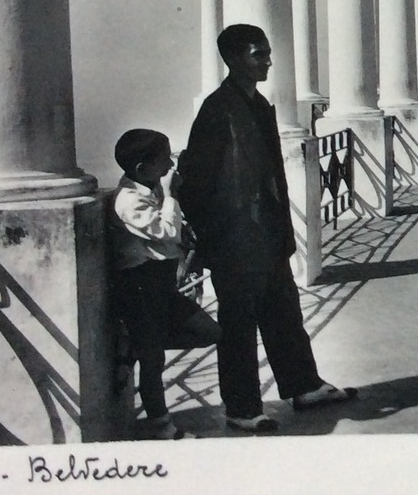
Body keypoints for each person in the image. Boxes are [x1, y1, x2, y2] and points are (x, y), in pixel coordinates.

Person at [177, 23, 357, 433]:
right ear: (234, 58)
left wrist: (277, 228)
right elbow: (195, 181)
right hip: (233, 239)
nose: (268, 61)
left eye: (267, 52)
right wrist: (216, 236)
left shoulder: (258, 105)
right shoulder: (216, 109)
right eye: (259, 54)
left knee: (284, 312)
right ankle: (241, 407)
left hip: (266, 235)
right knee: (238, 324)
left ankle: (304, 387)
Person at [108, 128, 221, 440]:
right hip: (141, 288)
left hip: (161, 288)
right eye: (164, 160)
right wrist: (171, 196)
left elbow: (173, 235)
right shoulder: (129, 201)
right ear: (142, 169)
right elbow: (165, 233)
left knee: (209, 332)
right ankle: (161, 424)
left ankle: (136, 343)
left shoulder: (149, 189)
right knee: (153, 360)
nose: (171, 166)